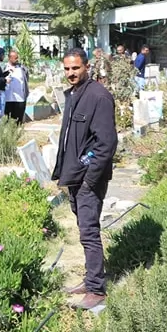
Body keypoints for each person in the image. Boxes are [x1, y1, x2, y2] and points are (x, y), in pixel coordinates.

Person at [52, 48, 118, 310]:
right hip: (75, 176)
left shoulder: (98, 97)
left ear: (87, 66)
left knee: (89, 232)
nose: (71, 73)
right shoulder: (74, 94)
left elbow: (106, 143)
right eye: (67, 69)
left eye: (75, 68)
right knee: (83, 229)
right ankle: (90, 278)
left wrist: (90, 178)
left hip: (89, 178)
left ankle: (96, 290)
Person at [5, 49, 29, 124]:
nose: (17, 59)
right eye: (15, 58)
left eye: (17, 57)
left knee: (18, 121)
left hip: (20, 99)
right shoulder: (4, 68)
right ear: (9, 58)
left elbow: (26, 79)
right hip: (8, 99)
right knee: (8, 121)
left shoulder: (22, 68)